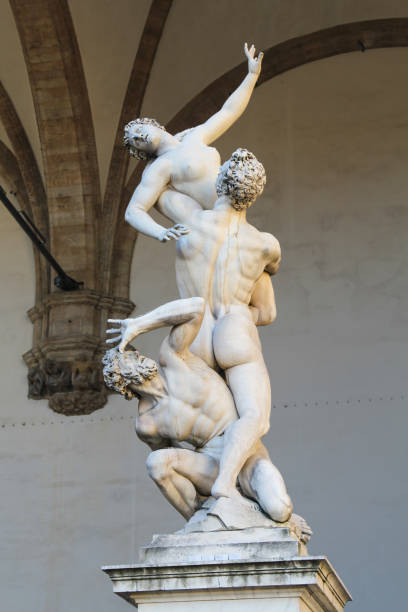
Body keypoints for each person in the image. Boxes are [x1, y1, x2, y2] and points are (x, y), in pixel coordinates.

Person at [112, 149, 283, 505]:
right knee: (253, 419)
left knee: (201, 422)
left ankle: (212, 485)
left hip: (198, 331)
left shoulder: (189, 218)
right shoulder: (266, 245)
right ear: (255, 194)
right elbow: (266, 313)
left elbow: (156, 192)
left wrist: (167, 156)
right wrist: (240, 311)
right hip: (235, 328)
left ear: (218, 183)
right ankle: (225, 481)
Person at [104, 297, 292, 522]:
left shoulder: (173, 358)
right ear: (120, 382)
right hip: (210, 464)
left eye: (133, 353)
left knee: (280, 510)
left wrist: (140, 324)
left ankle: (230, 489)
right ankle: (200, 521)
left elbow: (196, 307)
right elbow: (173, 465)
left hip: (248, 455)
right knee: (157, 463)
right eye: (126, 359)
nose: (136, 357)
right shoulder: (147, 423)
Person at [123, 43, 263, 243]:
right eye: (135, 142)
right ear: (140, 152)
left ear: (153, 124)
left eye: (138, 130)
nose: (138, 138)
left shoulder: (195, 137)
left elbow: (228, 112)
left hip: (239, 213)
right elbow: (133, 211)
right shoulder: (162, 166)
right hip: (216, 222)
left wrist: (251, 76)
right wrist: (160, 231)